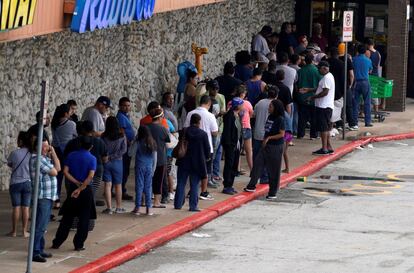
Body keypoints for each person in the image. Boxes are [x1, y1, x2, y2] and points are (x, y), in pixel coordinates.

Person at [52, 136, 96, 252]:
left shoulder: (71, 155)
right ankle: (79, 244)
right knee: (84, 218)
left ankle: (57, 242)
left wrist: (76, 184)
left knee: (67, 217)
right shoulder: (92, 159)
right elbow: (90, 176)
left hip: (73, 188)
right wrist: (81, 188)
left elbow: (65, 172)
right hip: (85, 190)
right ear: (91, 147)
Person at [244, 99, 285, 199]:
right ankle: (251, 185)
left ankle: (272, 192)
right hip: (266, 145)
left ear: (276, 108)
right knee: (258, 164)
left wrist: (269, 138)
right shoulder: (270, 116)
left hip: (275, 146)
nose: (269, 108)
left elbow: (282, 134)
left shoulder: (280, 119)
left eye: (271, 106)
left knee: (273, 170)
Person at [64, 121, 108, 208]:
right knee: (91, 195)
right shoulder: (99, 142)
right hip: (96, 172)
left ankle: (74, 217)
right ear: (93, 130)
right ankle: (89, 218)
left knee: (73, 197)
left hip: (74, 174)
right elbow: (105, 159)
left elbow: (66, 158)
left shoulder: (73, 142)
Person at [30, 138, 60, 263]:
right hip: (42, 197)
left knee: (43, 225)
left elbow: (58, 167)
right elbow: (54, 172)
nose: (46, 148)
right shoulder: (38, 159)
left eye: (47, 146)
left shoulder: (45, 158)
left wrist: (53, 153)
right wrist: (50, 154)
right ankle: (35, 252)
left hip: (48, 196)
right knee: (40, 226)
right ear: (37, 147)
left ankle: (40, 249)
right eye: (44, 146)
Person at [184, 95, 218, 200]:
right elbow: (215, 132)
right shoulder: (211, 116)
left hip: (191, 147)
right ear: (209, 104)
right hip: (206, 147)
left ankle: (192, 191)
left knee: (193, 170)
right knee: (205, 171)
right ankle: (203, 191)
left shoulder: (190, 113)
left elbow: (185, 128)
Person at [174, 114, 210, 211]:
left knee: (181, 182)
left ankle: (178, 204)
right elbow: (207, 149)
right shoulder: (203, 134)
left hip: (183, 161)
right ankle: (193, 206)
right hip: (197, 162)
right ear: (199, 122)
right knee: (194, 184)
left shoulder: (184, 131)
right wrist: (207, 158)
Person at [300, 61, 335, 155]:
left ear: (324, 68)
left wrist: (312, 97)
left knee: (323, 128)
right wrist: (309, 90)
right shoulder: (328, 76)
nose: (318, 71)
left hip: (323, 106)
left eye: (319, 68)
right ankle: (328, 146)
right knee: (326, 128)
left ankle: (324, 149)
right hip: (326, 106)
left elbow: (325, 92)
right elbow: (320, 88)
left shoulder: (327, 78)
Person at [51, 104, 77, 209]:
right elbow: (75, 136)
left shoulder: (54, 124)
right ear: (66, 113)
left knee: (58, 176)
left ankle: (56, 200)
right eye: (70, 111)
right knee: (68, 176)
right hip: (68, 151)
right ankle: (69, 198)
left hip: (56, 151)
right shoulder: (71, 124)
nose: (72, 112)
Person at [7, 131, 31, 238]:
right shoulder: (31, 154)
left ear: (21, 141)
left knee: (16, 207)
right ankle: (24, 231)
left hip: (15, 183)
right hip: (28, 183)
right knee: (25, 207)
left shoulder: (14, 153)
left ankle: (14, 231)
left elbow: (10, 164)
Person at [252, 85, 279, 184]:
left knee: (257, 156)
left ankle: (255, 175)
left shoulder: (260, 103)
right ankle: (264, 177)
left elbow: (253, 115)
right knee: (267, 157)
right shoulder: (275, 105)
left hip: (257, 133)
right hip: (268, 135)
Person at [101, 117, 127, 214]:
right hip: (117, 162)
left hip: (106, 162)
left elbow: (102, 148)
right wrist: (113, 156)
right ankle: (119, 207)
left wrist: (107, 157)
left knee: (107, 185)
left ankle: (109, 208)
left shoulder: (103, 136)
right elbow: (123, 150)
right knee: (118, 185)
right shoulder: (122, 136)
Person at [147, 108, 170, 208]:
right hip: (160, 158)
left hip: (147, 157)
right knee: (158, 180)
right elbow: (167, 141)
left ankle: (144, 200)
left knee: (146, 179)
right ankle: (156, 201)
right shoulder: (162, 129)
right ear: (160, 117)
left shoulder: (145, 127)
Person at [132, 126, 157, 216]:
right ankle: (148, 209)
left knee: (139, 186)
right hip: (149, 166)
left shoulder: (138, 142)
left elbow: (130, 153)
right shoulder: (152, 142)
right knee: (148, 187)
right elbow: (155, 157)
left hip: (139, 165)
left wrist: (134, 141)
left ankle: (137, 207)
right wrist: (153, 169)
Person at [221, 97, 244, 195]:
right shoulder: (230, 116)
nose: (243, 106)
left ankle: (230, 184)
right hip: (231, 144)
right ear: (238, 105)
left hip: (236, 143)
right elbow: (227, 132)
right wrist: (229, 144)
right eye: (242, 104)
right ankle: (227, 185)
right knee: (229, 164)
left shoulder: (238, 115)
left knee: (234, 164)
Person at [229, 85, 253, 171]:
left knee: (237, 149)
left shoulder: (231, 102)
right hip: (246, 126)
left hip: (235, 127)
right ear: (243, 94)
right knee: (249, 150)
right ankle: (251, 169)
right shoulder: (247, 103)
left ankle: (237, 169)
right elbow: (251, 113)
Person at [296, 54, 321, 139]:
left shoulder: (300, 71)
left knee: (302, 117)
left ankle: (300, 134)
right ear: (313, 60)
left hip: (302, 97)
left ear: (305, 61)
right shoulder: (317, 71)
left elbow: (297, 83)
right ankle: (313, 135)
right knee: (314, 117)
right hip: (314, 98)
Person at [207, 80, 226, 183]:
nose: (215, 91)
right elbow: (208, 117)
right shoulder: (207, 100)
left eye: (217, 89)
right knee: (211, 155)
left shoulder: (218, 99)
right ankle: (209, 178)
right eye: (213, 88)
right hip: (211, 131)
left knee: (216, 154)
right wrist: (218, 115)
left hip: (218, 129)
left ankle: (213, 175)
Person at [116, 97, 135, 201]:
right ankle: (121, 190)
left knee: (125, 169)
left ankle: (119, 189)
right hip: (125, 147)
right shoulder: (121, 117)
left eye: (128, 105)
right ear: (120, 106)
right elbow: (122, 132)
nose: (127, 107)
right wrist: (128, 143)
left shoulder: (126, 116)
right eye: (124, 105)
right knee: (124, 169)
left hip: (128, 146)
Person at [352, 45, 373, 128]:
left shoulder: (354, 59)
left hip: (356, 82)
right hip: (365, 82)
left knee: (355, 103)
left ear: (357, 51)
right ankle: (368, 122)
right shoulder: (368, 60)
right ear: (365, 52)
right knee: (367, 102)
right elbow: (370, 70)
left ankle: (354, 122)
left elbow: (351, 70)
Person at [327, 47, 346, 132]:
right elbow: (343, 79)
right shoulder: (341, 64)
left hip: (326, 89)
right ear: (338, 55)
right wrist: (343, 91)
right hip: (337, 91)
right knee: (336, 109)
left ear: (330, 54)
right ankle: (332, 126)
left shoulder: (326, 62)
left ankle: (328, 126)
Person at [338, 43, 356, 130]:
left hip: (337, 86)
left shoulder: (336, 59)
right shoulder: (347, 60)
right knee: (348, 105)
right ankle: (351, 123)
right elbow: (351, 74)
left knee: (338, 105)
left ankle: (339, 123)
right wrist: (350, 84)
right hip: (346, 85)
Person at [365, 38, 382, 114]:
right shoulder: (378, 53)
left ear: (367, 45)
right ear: (373, 44)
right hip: (376, 75)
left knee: (365, 93)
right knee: (375, 93)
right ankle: (376, 111)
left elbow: (367, 65)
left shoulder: (368, 53)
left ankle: (362, 111)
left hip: (369, 75)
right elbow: (378, 65)